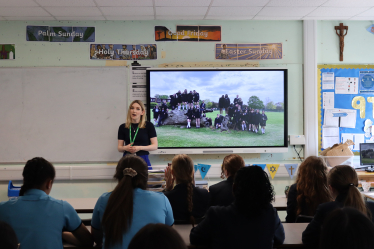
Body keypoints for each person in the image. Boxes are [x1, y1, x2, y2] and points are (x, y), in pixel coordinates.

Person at [0, 157, 93, 249]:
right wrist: (62, 233)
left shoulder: (3, 208)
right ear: (49, 183)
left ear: (24, 181)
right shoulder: (62, 207)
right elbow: (88, 242)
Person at [190, 166, 285, 249]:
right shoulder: (270, 213)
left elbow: (194, 237)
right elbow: (279, 239)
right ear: (265, 190)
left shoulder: (216, 214)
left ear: (234, 188)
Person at [91, 156, 174, 249]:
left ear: (118, 176)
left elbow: (96, 237)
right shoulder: (161, 200)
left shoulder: (104, 200)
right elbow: (169, 234)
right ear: (146, 177)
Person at [302, 165, 374, 248]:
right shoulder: (371, 207)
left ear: (331, 188)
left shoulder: (326, 209)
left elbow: (307, 238)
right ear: (356, 184)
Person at [164, 154, 210, 226]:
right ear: (192, 172)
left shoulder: (166, 197)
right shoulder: (205, 194)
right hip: (198, 235)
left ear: (172, 173)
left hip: (175, 236)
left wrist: (167, 190)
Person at [286, 156, 331, 223]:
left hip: (298, 228)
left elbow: (290, 217)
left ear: (302, 171)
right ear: (324, 171)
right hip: (323, 230)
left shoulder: (295, 189)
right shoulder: (329, 189)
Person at [117, 100, 158, 168]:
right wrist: (126, 148)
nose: (134, 111)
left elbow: (154, 146)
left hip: (143, 159)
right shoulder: (123, 127)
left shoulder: (148, 125)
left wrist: (139, 148)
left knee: (144, 178)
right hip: (127, 159)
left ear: (142, 112)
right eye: (132, 108)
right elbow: (119, 148)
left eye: (138, 109)